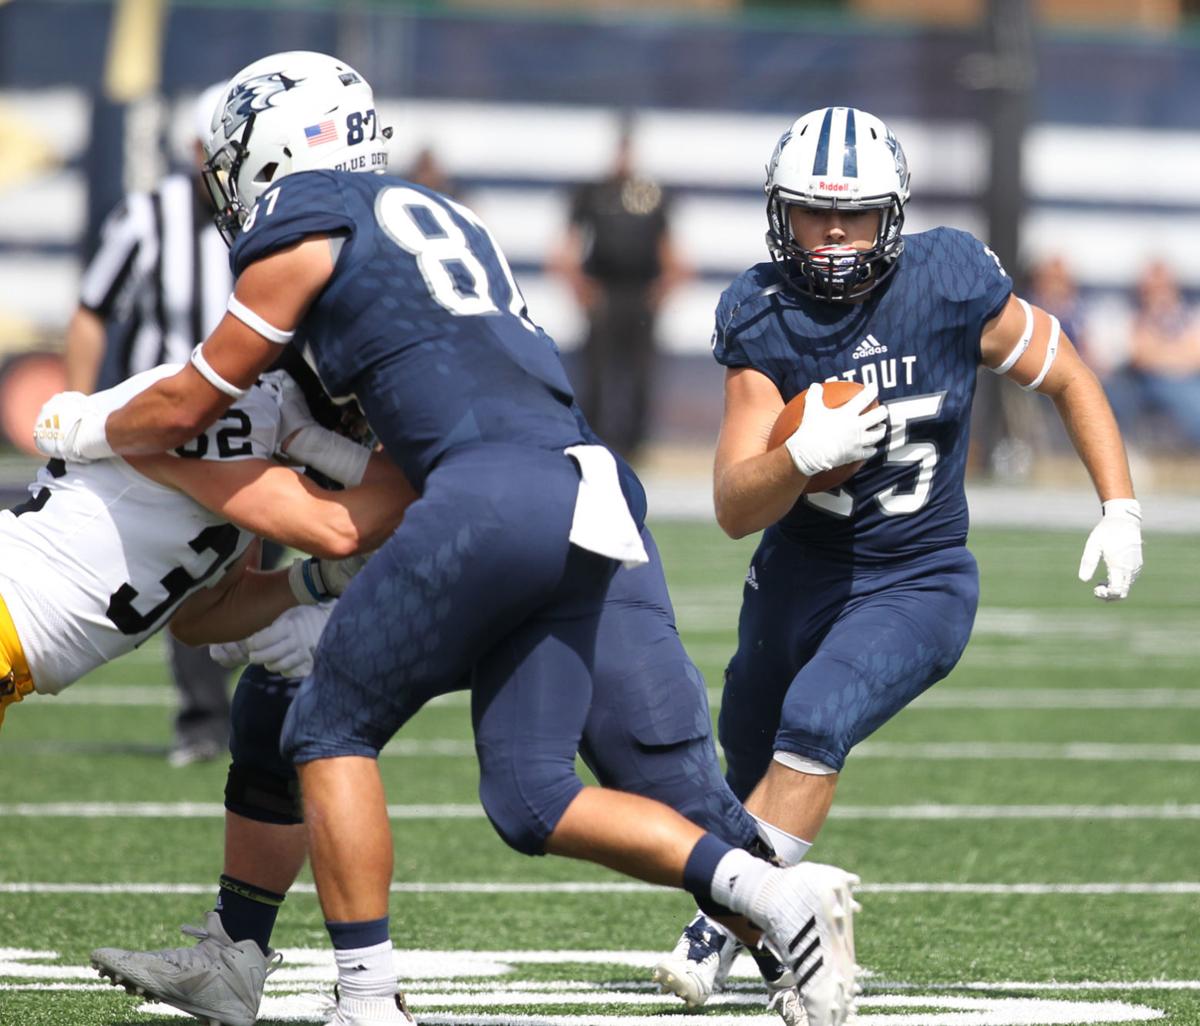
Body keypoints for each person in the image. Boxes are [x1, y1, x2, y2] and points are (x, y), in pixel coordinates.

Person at [37, 52, 861, 1026]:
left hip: (484, 499)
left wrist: (77, 424)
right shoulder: (442, 218)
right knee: (534, 793)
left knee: (324, 721)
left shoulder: (305, 224)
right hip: (589, 489)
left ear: (279, 145)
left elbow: (186, 407)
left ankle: (367, 1000)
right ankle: (786, 915)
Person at [650, 106, 1144, 1014]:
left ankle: (719, 927)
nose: (834, 233)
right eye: (812, 212)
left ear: (895, 214)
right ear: (778, 212)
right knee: (743, 764)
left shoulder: (949, 280)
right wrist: (795, 459)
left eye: (857, 213)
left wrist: (1119, 505)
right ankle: (800, 940)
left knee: (813, 723)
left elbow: (1069, 373)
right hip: (798, 572)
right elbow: (731, 506)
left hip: (917, 575)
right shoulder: (761, 313)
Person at [2, 362, 408, 734]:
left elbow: (200, 617)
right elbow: (336, 529)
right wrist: (319, 446)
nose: (366, 439)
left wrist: (317, 579)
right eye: (357, 419)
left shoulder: (264, 438)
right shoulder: (237, 415)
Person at [64, 82, 248, 767]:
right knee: (194, 574)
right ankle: (204, 719)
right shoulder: (149, 216)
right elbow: (92, 309)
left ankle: (263, 718)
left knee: (263, 572)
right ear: (197, 152)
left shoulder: (274, 221)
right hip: (169, 434)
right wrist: (76, 406)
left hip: (261, 429)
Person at [548, 117, 689, 462]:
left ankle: (635, 448)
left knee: (641, 375)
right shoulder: (593, 194)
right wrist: (581, 289)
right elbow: (564, 251)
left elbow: (674, 255)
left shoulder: (651, 196)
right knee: (595, 375)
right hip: (604, 292)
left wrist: (662, 292)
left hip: (640, 293)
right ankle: (591, 442)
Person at [1106, 259, 1200, 447]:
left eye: (1162, 286)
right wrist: (1176, 353)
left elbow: (1195, 356)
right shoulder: (1133, 314)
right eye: (1152, 288)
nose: (1158, 292)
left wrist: (1161, 351)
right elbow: (1140, 356)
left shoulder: (1189, 314)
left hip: (1186, 380)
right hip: (1146, 383)